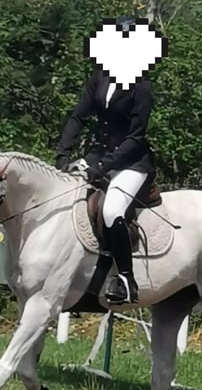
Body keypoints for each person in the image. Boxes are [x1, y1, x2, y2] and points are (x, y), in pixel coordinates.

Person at [54, 16, 156, 305]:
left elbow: (136, 137)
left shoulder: (142, 88)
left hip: (132, 162)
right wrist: (63, 153)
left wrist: (103, 167)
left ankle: (126, 278)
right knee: (67, 198)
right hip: (98, 155)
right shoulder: (99, 78)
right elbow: (78, 116)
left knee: (111, 210)